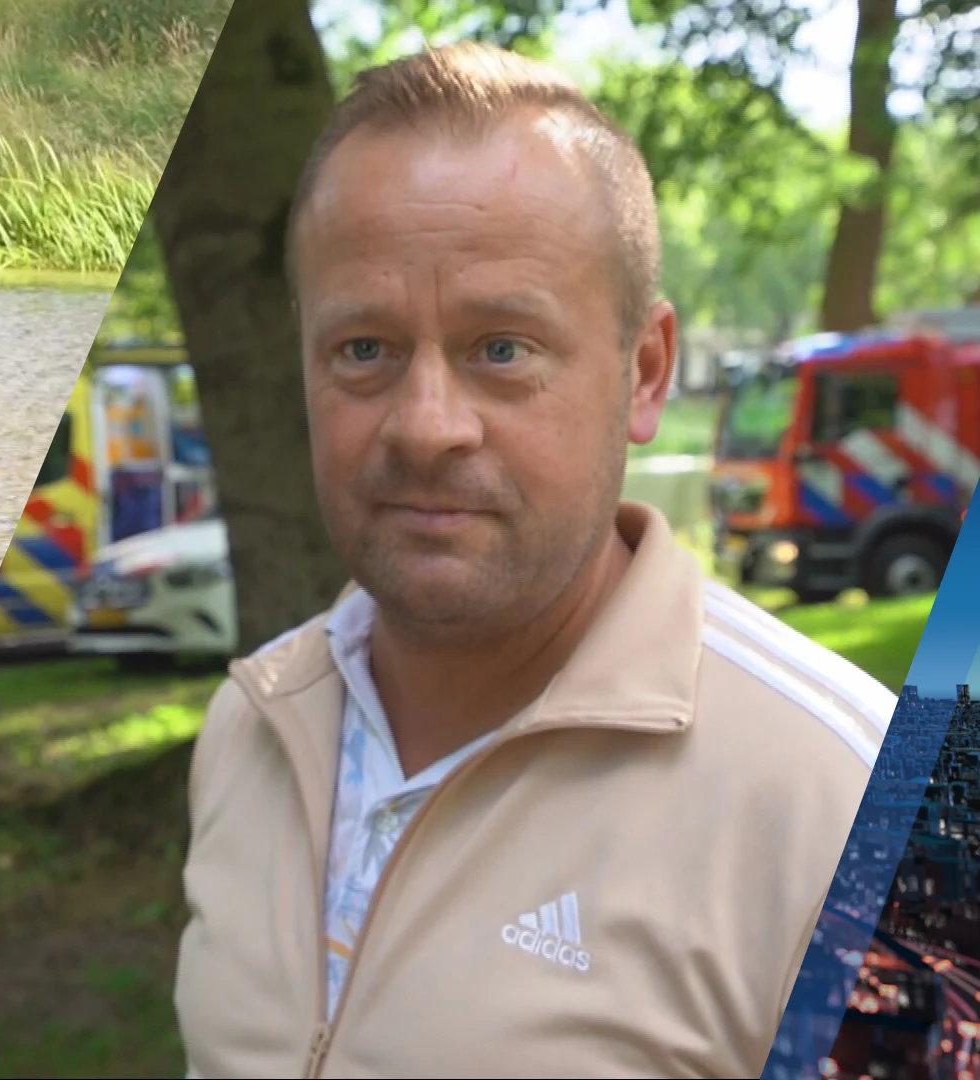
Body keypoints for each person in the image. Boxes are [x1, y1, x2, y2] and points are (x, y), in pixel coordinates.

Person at [171, 44, 895, 1079]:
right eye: (364, 349)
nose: (426, 427)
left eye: (501, 347)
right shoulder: (251, 726)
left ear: (643, 374)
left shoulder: (869, 810)